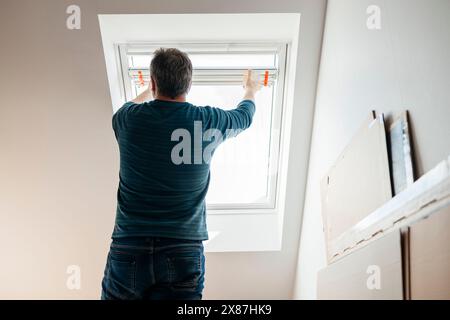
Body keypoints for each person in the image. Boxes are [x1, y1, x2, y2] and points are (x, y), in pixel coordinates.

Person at [101, 48, 261, 300]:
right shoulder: (208, 121)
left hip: (130, 245)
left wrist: (148, 89)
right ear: (188, 84)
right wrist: (250, 89)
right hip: (182, 249)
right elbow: (244, 116)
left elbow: (130, 104)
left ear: (154, 82)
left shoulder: (127, 120)